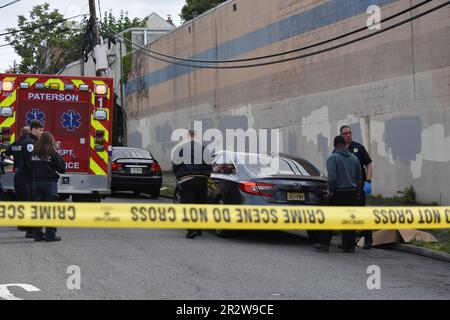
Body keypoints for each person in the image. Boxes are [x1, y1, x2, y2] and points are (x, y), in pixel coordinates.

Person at [313, 136, 362, 253]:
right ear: (345, 145)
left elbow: (332, 178)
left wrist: (330, 191)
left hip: (339, 192)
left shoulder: (333, 158)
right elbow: (359, 178)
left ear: (334, 145)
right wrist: (358, 191)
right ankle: (349, 246)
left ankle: (324, 243)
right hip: (352, 192)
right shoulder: (354, 159)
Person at [172, 129, 212, 239]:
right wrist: (206, 173)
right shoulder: (204, 148)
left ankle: (191, 230)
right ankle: (198, 229)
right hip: (201, 179)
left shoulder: (180, 148)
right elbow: (209, 164)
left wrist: (178, 175)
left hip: (187, 179)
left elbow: (175, 164)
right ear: (197, 136)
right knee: (200, 204)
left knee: (188, 205)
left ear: (188, 136)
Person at [340, 125, 374, 249]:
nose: (348, 135)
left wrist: (368, 181)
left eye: (350, 133)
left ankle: (368, 239)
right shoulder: (339, 149)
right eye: (345, 133)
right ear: (341, 135)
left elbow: (369, 164)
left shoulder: (358, 148)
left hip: (358, 187)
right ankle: (348, 241)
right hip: (344, 188)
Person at [30, 131, 65, 242]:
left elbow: (30, 167)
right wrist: (58, 153)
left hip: (36, 183)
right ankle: (50, 235)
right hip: (49, 184)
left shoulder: (34, 152)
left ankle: (38, 235)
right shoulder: (52, 153)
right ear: (51, 141)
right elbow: (62, 169)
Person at [4, 126, 30, 231]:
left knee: (19, 198)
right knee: (26, 199)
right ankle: (25, 224)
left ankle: (20, 223)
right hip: (25, 175)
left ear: (20, 133)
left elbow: (7, 153)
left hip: (17, 174)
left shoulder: (15, 143)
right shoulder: (28, 143)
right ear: (28, 134)